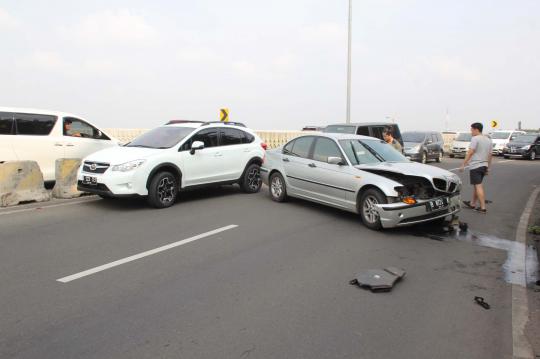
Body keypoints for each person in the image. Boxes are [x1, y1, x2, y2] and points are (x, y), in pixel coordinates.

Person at [460, 122, 492, 213]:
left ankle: (483, 208)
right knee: (476, 185)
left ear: (476, 129)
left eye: (471, 130)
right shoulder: (488, 139)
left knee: (478, 186)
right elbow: (490, 155)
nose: (471, 132)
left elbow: (471, 152)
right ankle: (472, 203)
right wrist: (488, 167)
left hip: (476, 165)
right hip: (484, 165)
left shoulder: (475, 139)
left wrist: (463, 164)